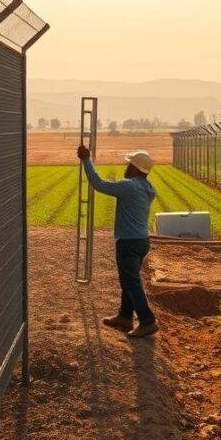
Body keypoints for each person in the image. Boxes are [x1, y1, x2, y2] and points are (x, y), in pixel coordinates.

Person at [77, 145, 159, 338]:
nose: (126, 167)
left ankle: (147, 321)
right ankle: (125, 315)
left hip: (128, 242)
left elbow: (98, 184)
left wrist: (86, 160)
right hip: (141, 241)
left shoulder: (129, 186)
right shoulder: (148, 188)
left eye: (129, 164)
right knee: (128, 280)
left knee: (131, 282)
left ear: (136, 169)